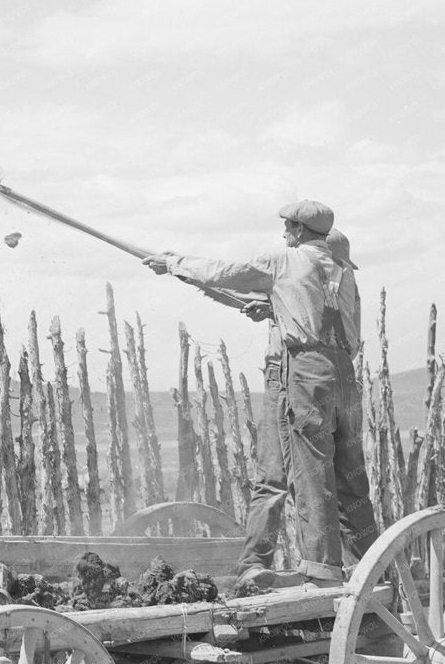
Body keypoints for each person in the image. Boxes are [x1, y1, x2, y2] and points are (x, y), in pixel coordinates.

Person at [143, 201, 372, 590]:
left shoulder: (285, 260)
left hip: (303, 371)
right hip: (342, 377)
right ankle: (369, 561)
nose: (284, 233)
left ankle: (320, 567)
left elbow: (228, 274)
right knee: (349, 475)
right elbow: (322, 315)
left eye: (288, 226)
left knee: (308, 472)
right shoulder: (342, 273)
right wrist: (272, 309)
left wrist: (175, 263)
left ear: (299, 230)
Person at [236, 227, 377, 588]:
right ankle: (366, 564)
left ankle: (276, 564)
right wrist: (273, 309)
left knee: (280, 478)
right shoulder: (337, 282)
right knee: (340, 479)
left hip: (296, 377)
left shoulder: (318, 280)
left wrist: (274, 310)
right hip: (320, 378)